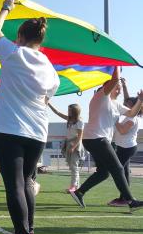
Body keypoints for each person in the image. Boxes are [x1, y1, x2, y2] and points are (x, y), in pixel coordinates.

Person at [0, 0, 60, 234]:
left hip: (10, 129)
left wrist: (6, 7)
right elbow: (46, 98)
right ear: (40, 41)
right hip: (37, 133)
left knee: (15, 185)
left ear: (19, 36)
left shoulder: (13, 52)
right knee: (28, 182)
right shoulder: (51, 69)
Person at [69, 66, 143, 213]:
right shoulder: (101, 96)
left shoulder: (116, 104)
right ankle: (130, 200)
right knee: (118, 168)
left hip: (98, 140)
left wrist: (140, 100)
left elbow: (132, 113)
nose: (120, 89)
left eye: (120, 87)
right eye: (118, 86)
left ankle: (79, 192)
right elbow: (114, 78)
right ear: (108, 86)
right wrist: (116, 64)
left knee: (104, 172)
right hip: (96, 138)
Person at [109, 96, 141, 206]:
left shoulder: (132, 118)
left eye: (128, 104)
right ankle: (124, 198)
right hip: (123, 147)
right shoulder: (128, 116)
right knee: (124, 173)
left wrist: (115, 120)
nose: (125, 106)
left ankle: (125, 199)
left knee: (118, 172)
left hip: (127, 148)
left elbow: (122, 131)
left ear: (134, 106)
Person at [48, 103, 84, 192]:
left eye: (70, 110)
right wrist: (49, 103)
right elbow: (57, 112)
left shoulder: (80, 121)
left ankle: (73, 186)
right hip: (69, 143)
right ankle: (76, 187)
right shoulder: (70, 119)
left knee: (74, 166)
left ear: (75, 111)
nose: (68, 112)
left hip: (75, 145)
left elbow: (80, 137)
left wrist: (73, 147)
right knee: (72, 166)